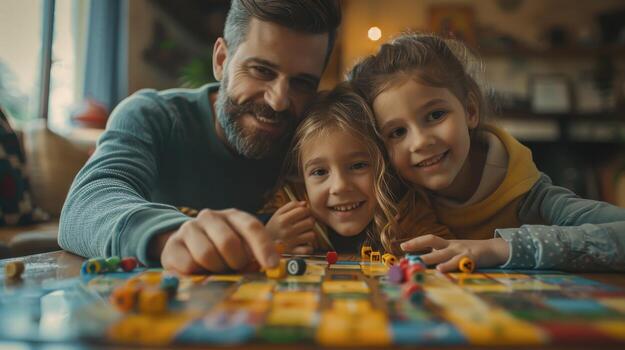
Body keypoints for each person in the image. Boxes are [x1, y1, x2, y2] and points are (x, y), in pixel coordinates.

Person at [58, 0, 341, 274]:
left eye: (302, 83)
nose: (279, 101)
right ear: (221, 60)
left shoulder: (315, 136)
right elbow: (85, 206)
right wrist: (170, 236)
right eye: (261, 70)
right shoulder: (153, 116)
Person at [349, 33, 625, 272]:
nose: (420, 141)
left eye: (435, 115)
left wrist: (500, 248)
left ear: (470, 110)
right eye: (397, 132)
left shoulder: (530, 195)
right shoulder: (393, 198)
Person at [264, 83, 450, 254]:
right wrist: (269, 242)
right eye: (320, 172)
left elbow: (446, 252)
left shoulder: (408, 215)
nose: (340, 186)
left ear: (384, 164)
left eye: (358, 166)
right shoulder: (289, 215)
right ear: (301, 177)